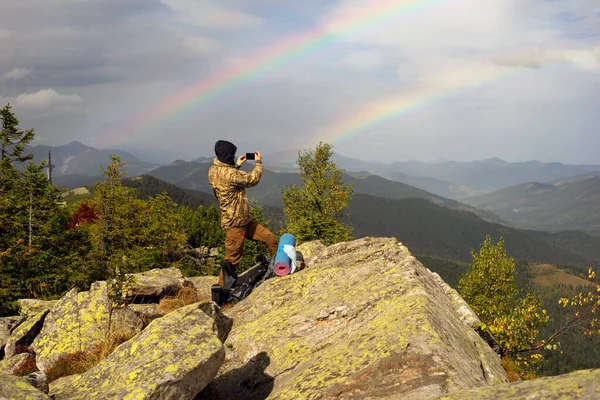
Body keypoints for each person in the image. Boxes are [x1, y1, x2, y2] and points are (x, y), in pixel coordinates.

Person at [208, 140, 278, 288]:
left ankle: (279, 267)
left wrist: (237, 165)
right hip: (235, 224)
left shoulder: (213, 170)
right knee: (233, 257)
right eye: (231, 154)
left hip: (244, 220)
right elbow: (252, 179)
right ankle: (220, 291)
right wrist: (258, 163)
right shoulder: (231, 174)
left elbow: (228, 177)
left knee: (269, 238)